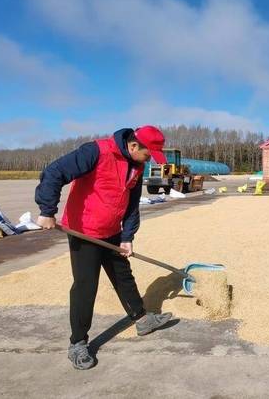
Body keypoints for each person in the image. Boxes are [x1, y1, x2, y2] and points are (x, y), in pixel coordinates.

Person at [35, 126, 173, 370]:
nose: (149, 158)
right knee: (86, 286)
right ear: (133, 146)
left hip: (111, 231)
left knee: (123, 275)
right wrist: (47, 211)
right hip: (84, 231)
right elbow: (54, 172)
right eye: (148, 153)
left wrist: (127, 236)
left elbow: (131, 205)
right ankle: (77, 343)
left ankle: (141, 319)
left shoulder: (136, 165)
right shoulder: (96, 152)